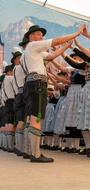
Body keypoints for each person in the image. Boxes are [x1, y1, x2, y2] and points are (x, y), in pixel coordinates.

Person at [24, 23, 85, 162]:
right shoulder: (33, 45)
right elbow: (56, 40)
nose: (41, 37)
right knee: (37, 118)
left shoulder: (34, 51)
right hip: (37, 83)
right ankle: (36, 154)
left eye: (41, 35)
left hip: (33, 83)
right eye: (38, 34)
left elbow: (52, 56)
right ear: (31, 36)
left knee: (35, 118)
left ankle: (34, 152)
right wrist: (75, 35)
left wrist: (67, 45)